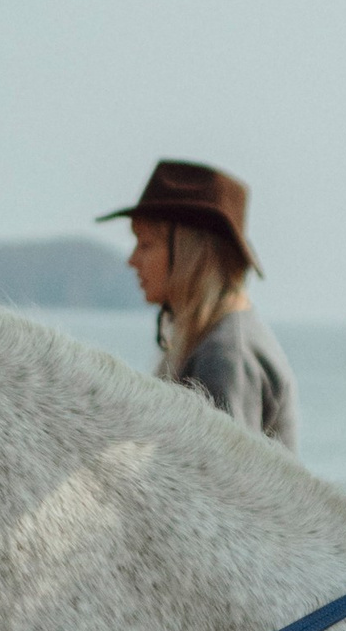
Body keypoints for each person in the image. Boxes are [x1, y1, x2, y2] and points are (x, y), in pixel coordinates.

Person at [102, 160, 298, 448]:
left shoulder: (226, 354)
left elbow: (226, 473)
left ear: (189, 254)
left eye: (146, 244)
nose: (132, 260)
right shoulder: (214, 339)